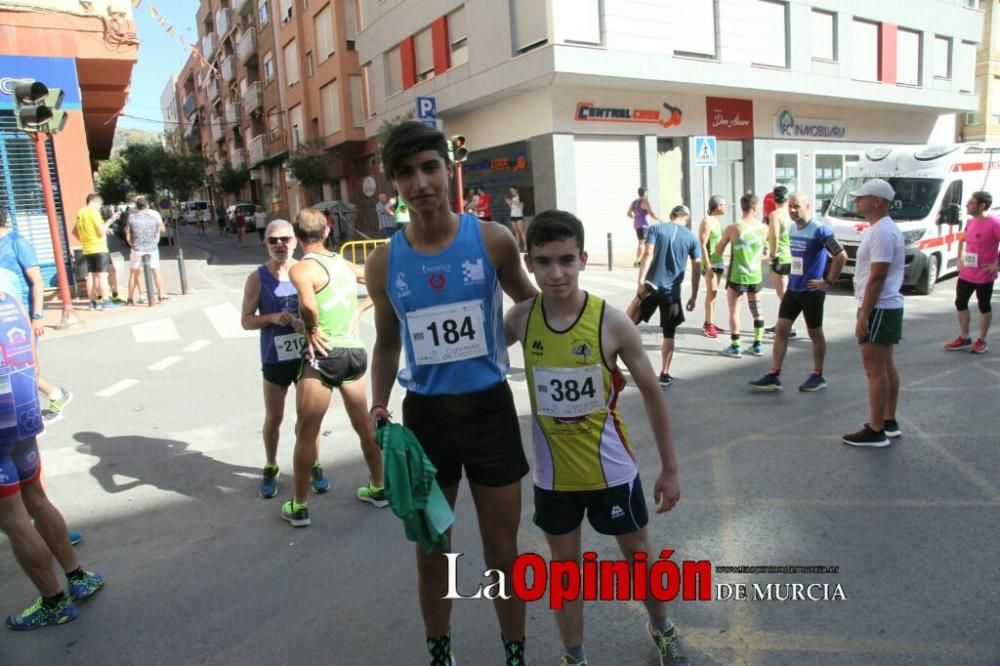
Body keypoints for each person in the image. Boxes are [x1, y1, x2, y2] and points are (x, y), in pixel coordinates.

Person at [365, 121, 536, 666]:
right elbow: (387, 343)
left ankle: (515, 653)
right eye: (407, 173)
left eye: (429, 167)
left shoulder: (491, 239)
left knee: (502, 555)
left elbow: (529, 305)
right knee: (432, 549)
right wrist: (377, 404)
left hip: (489, 410)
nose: (420, 183)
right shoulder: (383, 262)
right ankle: (440, 652)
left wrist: (507, 337)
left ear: (448, 169)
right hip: (427, 419)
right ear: (395, 182)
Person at [504, 210, 685, 666]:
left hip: (612, 472)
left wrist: (670, 468)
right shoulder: (521, 320)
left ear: (583, 258)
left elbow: (652, 394)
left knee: (639, 560)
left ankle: (662, 627)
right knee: (565, 572)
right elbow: (476, 357)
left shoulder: (611, 322)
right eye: (544, 262)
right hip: (554, 479)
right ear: (530, 263)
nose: (556, 272)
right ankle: (575, 657)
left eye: (566, 259)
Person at [0, 288, 103, 631]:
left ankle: (54, 602)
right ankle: (77, 576)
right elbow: (32, 354)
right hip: (24, 410)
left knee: (13, 519)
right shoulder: (7, 295)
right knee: (37, 499)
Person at [281, 209, 384, 526]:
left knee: (306, 434)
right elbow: (383, 282)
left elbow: (309, 305)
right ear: (327, 232)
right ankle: (378, 488)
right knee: (364, 427)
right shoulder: (346, 265)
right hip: (353, 353)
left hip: (324, 355)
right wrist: (360, 311)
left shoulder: (302, 268)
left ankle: (299, 506)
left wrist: (311, 330)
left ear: (297, 237)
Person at [749, 193, 847, 392]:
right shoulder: (793, 228)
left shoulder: (820, 230)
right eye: (790, 207)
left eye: (797, 206)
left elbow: (841, 256)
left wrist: (827, 281)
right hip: (793, 289)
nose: (793, 211)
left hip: (811, 291)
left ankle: (818, 375)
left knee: (814, 333)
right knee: (781, 329)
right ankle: (773, 375)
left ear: (808, 206)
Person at [842, 179, 905, 448]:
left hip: (878, 307)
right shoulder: (883, 229)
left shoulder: (881, 232)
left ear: (878, 201)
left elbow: (877, 277)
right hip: (885, 306)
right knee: (886, 365)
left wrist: (864, 315)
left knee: (874, 369)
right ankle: (888, 421)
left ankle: (876, 429)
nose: (856, 200)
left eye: (861, 197)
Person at [0, 209, 74, 423]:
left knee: (21, 367)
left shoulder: (17, 242)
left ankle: (33, 415)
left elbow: (37, 281)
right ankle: (54, 395)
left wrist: (37, 317)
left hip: (18, 318)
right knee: (9, 370)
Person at [636, 205, 700, 386]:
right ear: (686, 219)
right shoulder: (691, 237)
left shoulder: (656, 228)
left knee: (629, 322)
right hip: (672, 292)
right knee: (669, 333)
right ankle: (664, 373)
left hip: (650, 287)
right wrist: (694, 295)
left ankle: (611, 362)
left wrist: (640, 281)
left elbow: (647, 253)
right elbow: (696, 270)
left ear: (671, 215)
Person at [944, 191, 1000, 354]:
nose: (967, 205)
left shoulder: (994, 223)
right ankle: (964, 337)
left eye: (971, 203)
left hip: (984, 275)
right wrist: (959, 259)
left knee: (984, 306)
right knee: (960, 302)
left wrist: (997, 266)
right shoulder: (970, 221)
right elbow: (962, 239)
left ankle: (982, 340)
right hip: (967, 273)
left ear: (982, 205)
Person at [715, 194, 766, 358]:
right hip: (755, 276)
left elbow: (718, 249)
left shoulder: (733, 228)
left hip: (737, 276)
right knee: (757, 310)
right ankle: (758, 345)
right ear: (756, 208)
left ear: (741, 207)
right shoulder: (764, 228)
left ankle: (735, 346)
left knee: (735, 311)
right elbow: (765, 251)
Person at [74, 193, 120, 311]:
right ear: (96, 202)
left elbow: (74, 231)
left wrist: (85, 240)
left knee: (91, 275)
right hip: (99, 248)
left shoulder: (80, 212)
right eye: (100, 205)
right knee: (102, 276)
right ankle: (106, 302)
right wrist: (111, 220)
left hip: (87, 248)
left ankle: (92, 302)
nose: (100, 207)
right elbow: (101, 231)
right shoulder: (94, 212)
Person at [765, 186, 797, 338]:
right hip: (792, 255)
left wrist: (772, 252)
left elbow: (775, 235)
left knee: (782, 293)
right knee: (787, 292)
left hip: (781, 256)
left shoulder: (775, 214)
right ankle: (781, 323)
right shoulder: (792, 214)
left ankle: (788, 327)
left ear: (774, 199)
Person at [126, 197, 168, 306]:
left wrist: (132, 244)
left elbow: (128, 234)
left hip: (137, 249)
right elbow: (159, 231)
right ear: (147, 206)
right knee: (156, 272)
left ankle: (130, 299)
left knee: (134, 274)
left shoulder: (131, 217)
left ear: (137, 206)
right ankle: (161, 296)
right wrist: (155, 243)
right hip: (152, 249)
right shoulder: (153, 218)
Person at [697, 195, 728, 337]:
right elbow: (703, 245)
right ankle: (709, 325)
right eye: (724, 204)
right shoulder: (707, 221)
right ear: (717, 206)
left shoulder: (717, 221)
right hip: (710, 263)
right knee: (712, 293)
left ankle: (709, 322)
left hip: (719, 261)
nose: (726, 206)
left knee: (713, 294)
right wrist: (708, 265)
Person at [627, 187, 660, 267]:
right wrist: (660, 219)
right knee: (642, 243)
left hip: (637, 225)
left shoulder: (634, 202)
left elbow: (628, 214)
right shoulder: (645, 202)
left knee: (644, 243)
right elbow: (651, 213)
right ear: (644, 193)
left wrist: (636, 217)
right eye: (646, 192)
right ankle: (638, 261)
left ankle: (641, 259)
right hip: (643, 225)